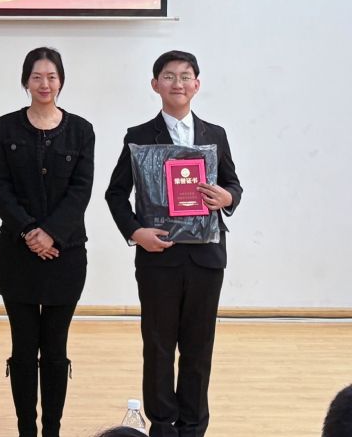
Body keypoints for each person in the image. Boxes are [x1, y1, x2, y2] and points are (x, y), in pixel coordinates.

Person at [105, 50, 242, 437]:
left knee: (199, 347)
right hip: (158, 257)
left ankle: (194, 426)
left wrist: (227, 197)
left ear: (197, 84)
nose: (177, 83)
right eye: (168, 76)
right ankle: (162, 425)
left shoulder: (215, 135)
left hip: (206, 258)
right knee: (159, 346)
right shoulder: (138, 136)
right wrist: (136, 233)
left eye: (185, 76)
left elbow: (233, 184)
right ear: (155, 84)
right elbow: (116, 194)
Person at [0, 47, 95, 437]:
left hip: (66, 256)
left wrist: (51, 233)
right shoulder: (7, 127)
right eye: (37, 77)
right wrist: (30, 231)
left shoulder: (81, 130)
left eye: (51, 76)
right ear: (26, 81)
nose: (44, 84)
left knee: (54, 350)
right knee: (22, 348)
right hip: (17, 255)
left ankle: (52, 429)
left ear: (61, 81)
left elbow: (81, 190)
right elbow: (0, 186)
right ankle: (25, 430)